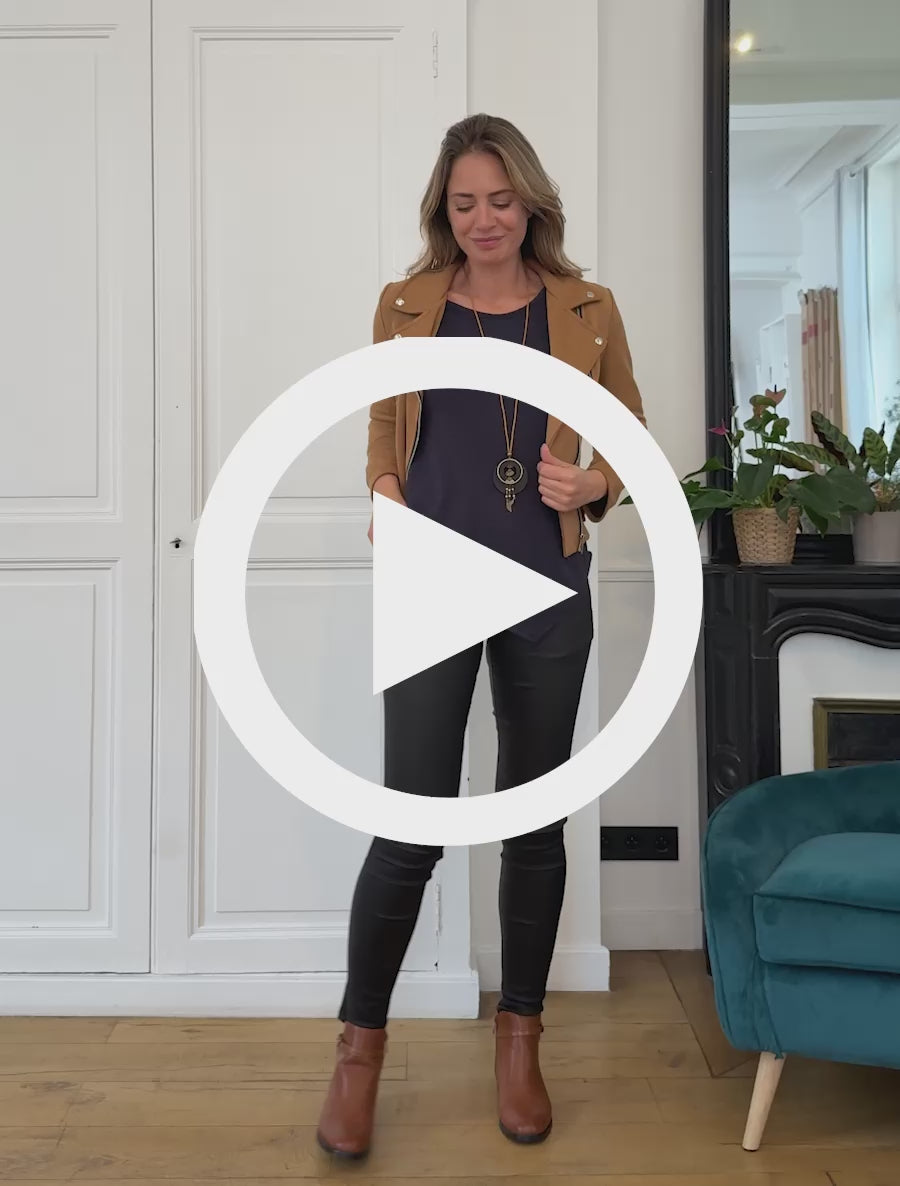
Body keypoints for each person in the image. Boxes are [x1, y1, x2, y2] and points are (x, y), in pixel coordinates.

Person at [316, 113, 647, 1161]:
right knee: (408, 827)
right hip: (433, 582)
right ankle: (358, 1052)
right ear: (443, 211)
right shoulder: (404, 304)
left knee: (534, 821)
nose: (484, 219)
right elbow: (382, 423)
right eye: (464, 203)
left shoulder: (587, 308)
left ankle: (520, 1041)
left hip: (547, 581)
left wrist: (596, 483)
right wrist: (383, 486)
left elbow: (630, 435)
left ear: (531, 202)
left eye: (500, 199)